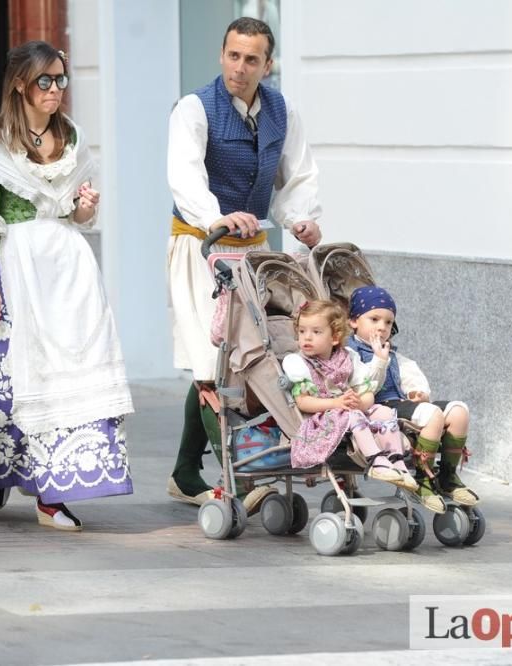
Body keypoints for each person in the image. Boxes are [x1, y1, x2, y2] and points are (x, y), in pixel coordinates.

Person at [0, 41, 134, 532]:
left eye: (61, 80)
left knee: (68, 377)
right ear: (20, 83)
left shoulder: (72, 135)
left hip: (67, 269)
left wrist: (84, 206)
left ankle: (51, 493)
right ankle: (5, 469)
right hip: (14, 269)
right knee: (6, 384)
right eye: (46, 81)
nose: (56, 90)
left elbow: (78, 216)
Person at [166, 17, 322, 509]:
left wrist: (300, 221)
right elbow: (184, 177)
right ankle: (244, 480)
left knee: (235, 360)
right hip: (200, 245)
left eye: (251, 59)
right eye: (233, 55)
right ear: (221, 54)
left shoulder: (282, 110)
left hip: (253, 254)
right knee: (208, 358)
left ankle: (185, 471)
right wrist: (215, 216)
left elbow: (296, 177)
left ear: (267, 65)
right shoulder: (194, 108)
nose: (240, 67)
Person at [346, 286, 479, 513]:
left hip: (401, 402)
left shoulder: (394, 354)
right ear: (354, 321)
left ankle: (447, 475)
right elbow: (365, 385)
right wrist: (379, 360)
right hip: (378, 409)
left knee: (459, 411)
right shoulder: (349, 354)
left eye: (388, 322)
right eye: (374, 319)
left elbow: (410, 374)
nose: (382, 327)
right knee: (432, 415)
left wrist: (419, 393)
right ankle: (423, 478)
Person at [281, 300, 416, 489]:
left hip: (348, 409)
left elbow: (366, 391)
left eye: (316, 332)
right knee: (354, 415)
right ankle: (376, 461)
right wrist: (337, 403)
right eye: (302, 331)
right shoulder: (298, 363)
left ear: (334, 337)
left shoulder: (348, 357)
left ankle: (397, 461)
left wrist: (359, 402)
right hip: (322, 416)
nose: (307, 338)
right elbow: (303, 402)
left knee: (383, 412)